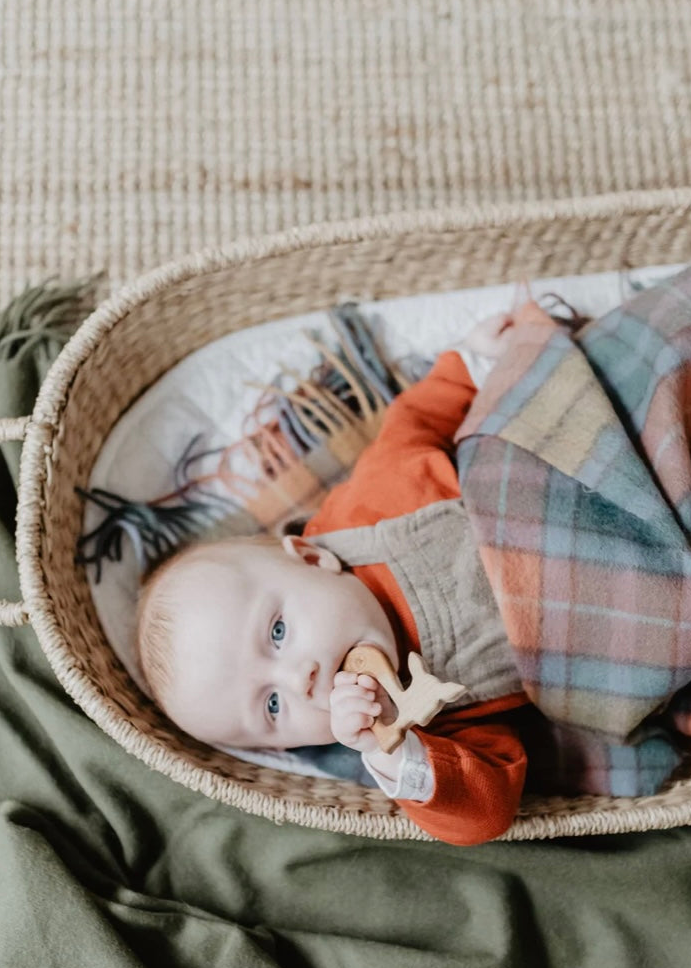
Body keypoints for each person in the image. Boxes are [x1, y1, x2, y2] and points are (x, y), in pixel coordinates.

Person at [136, 301, 561, 846]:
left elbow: (416, 424)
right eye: (273, 706)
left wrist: (475, 362)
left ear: (313, 558)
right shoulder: (431, 723)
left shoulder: (369, 509)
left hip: (568, 473)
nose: (300, 679)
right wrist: (398, 754)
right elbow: (489, 808)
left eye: (278, 633)